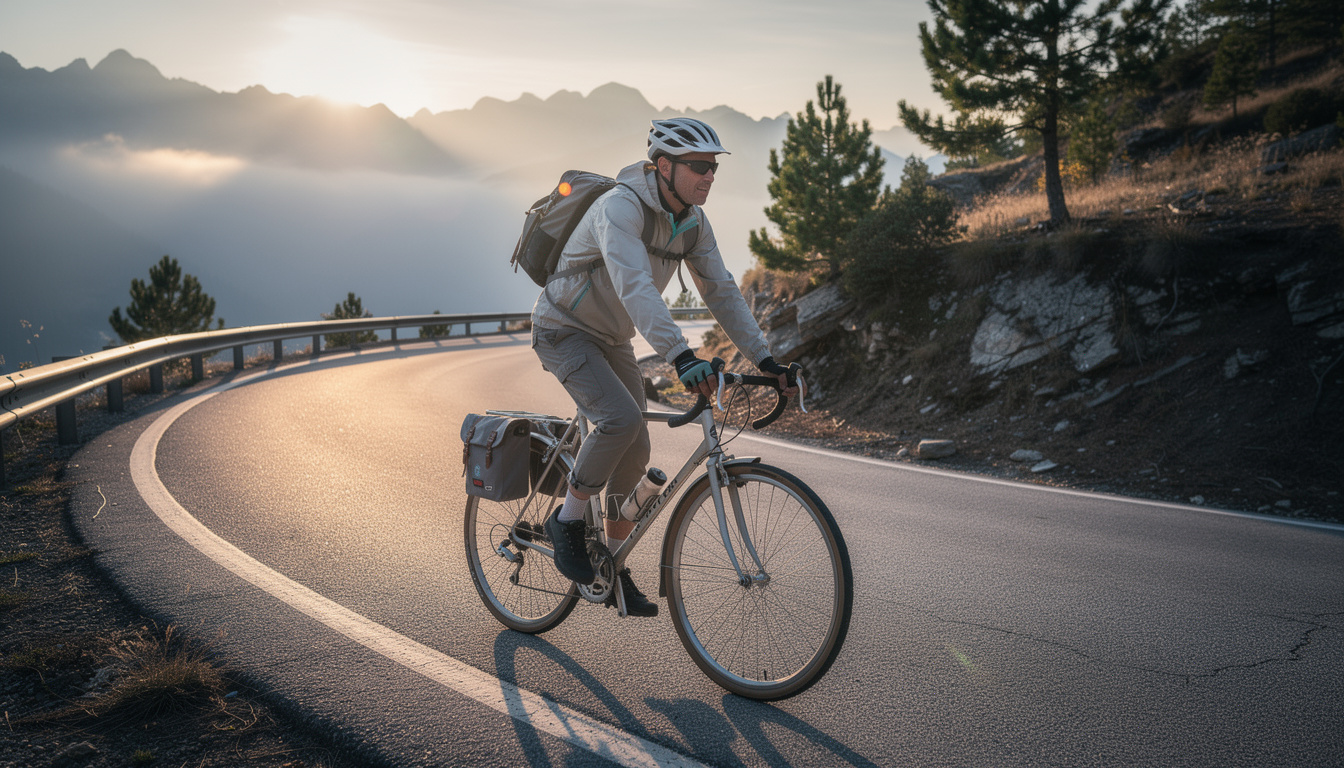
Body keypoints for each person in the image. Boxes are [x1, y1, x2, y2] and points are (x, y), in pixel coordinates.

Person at [532, 117, 797, 617]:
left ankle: (609, 562)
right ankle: (566, 522)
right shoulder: (620, 207)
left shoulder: (693, 220)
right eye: (699, 166)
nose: (709, 176)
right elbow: (637, 287)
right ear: (663, 166)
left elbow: (721, 291)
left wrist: (764, 358)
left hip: (611, 337)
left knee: (635, 451)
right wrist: (681, 356)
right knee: (620, 419)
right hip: (563, 328)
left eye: (714, 167)